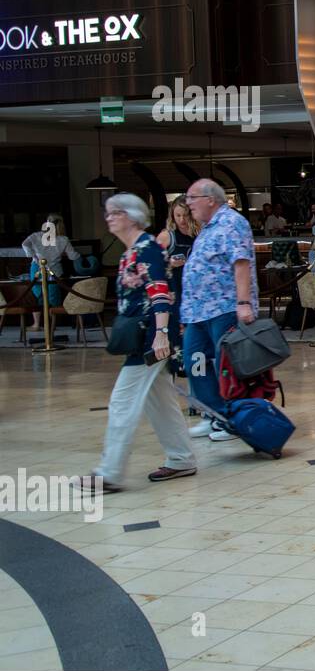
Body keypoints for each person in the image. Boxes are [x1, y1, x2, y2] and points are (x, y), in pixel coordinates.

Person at [77, 194, 196, 493]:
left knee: (122, 401)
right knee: (161, 401)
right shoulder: (132, 251)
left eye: (115, 212)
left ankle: (110, 472)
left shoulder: (146, 249)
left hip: (151, 339)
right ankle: (181, 458)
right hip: (146, 337)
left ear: (131, 216)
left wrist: (160, 335)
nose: (109, 217)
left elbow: (160, 293)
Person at [181, 179, 258, 442]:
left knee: (228, 365)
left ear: (210, 199)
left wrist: (244, 302)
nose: (188, 203)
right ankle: (213, 413)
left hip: (224, 308)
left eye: (192, 197)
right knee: (195, 362)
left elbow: (241, 263)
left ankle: (232, 419)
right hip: (197, 312)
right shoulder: (207, 227)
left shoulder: (231, 223)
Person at [21, 213, 81, 332]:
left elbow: (24, 244)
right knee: (53, 296)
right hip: (55, 271)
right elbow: (73, 256)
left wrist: (33, 256)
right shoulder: (63, 239)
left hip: (37, 267)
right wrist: (81, 257)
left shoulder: (36, 236)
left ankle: (37, 324)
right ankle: (51, 325)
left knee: (37, 295)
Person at [156, 197, 197, 318]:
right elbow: (151, 265)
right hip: (174, 290)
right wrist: (169, 263)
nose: (182, 220)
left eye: (185, 215)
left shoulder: (199, 235)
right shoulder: (166, 236)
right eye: (178, 215)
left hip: (194, 291)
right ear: (172, 216)